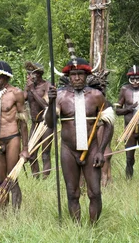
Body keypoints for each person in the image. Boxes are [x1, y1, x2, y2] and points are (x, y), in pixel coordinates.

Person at [45, 57, 115, 223]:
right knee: (72, 192)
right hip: (68, 150)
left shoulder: (97, 96)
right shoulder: (60, 96)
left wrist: (101, 150)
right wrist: (50, 102)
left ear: (87, 76)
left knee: (95, 193)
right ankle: (76, 229)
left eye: (80, 74)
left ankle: (93, 228)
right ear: (68, 76)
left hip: (92, 150)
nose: (76, 78)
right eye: (73, 74)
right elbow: (50, 123)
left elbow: (109, 124)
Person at [0, 60, 29, 210]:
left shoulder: (16, 93)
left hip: (12, 139)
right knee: (0, 180)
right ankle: (3, 214)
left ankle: (15, 215)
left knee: (12, 178)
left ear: (5, 78)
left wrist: (25, 148)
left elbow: (23, 122)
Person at [115, 65, 139, 182]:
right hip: (129, 127)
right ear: (129, 79)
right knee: (129, 158)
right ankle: (128, 183)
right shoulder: (124, 90)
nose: (135, 82)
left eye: (138, 78)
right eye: (132, 79)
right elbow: (117, 111)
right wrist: (129, 109)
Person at [24, 61, 52, 179]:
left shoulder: (47, 86)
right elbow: (22, 99)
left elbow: (46, 105)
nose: (28, 77)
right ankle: (36, 179)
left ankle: (45, 179)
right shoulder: (29, 87)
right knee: (31, 154)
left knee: (45, 154)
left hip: (46, 123)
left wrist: (33, 91)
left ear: (38, 75)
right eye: (27, 74)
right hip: (34, 124)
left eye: (30, 74)